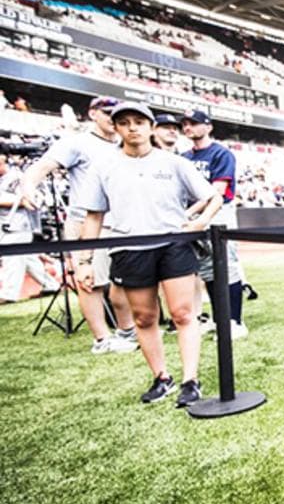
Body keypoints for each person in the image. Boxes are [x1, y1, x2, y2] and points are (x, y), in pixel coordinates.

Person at [77, 102, 222, 406]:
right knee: (144, 318)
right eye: (124, 122)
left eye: (139, 121)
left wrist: (200, 222)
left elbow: (213, 197)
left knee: (183, 313)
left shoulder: (174, 163)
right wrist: (84, 261)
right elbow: (93, 216)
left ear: (151, 127)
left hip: (173, 245)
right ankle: (161, 378)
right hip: (129, 248)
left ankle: (190, 380)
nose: (132, 128)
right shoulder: (104, 166)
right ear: (116, 127)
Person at [19, 96, 138, 354]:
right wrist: (28, 188)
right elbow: (41, 167)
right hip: (86, 221)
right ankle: (102, 339)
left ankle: (127, 331)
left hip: (122, 222)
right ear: (93, 113)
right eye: (107, 112)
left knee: (125, 280)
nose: (113, 118)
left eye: (117, 113)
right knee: (90, 280)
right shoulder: (77, 142)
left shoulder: (126, 143)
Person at [181, 109, 248, 338]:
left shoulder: (221, 153)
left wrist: (189, 213)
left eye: (194, 123)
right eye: (185, 124)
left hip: (219, 212)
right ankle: (221, 320)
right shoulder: (184, 157)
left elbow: (217, 191)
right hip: (193, 214)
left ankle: (235, 321)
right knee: (208, 270)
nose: (188, 127)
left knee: (226, 265)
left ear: (208, 126)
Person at [0, 153, 60, 301]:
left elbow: (33, 199)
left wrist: (6, 201)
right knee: (27, 258)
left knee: (12, 257)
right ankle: (51, 285)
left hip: (18, 224)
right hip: (6, 224)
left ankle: (8, 294)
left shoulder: (16, 178)